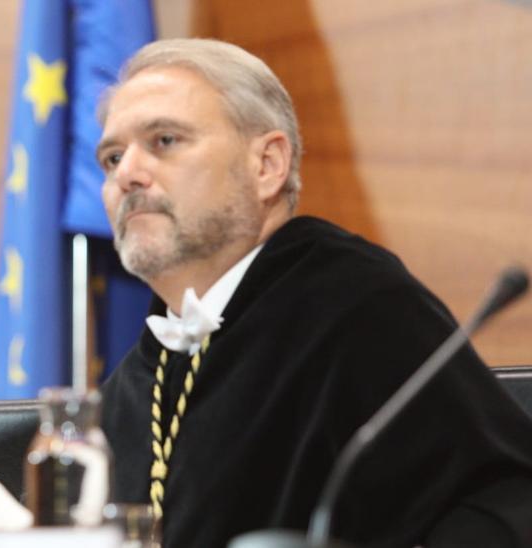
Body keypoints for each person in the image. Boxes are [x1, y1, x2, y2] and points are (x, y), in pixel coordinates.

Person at [95, 38, 532, 547]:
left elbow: (505, 504)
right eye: (111, 157)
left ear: (267, 166)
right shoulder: (136, 380)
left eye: (165, 140)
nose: (127, 174)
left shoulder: (357, 310)